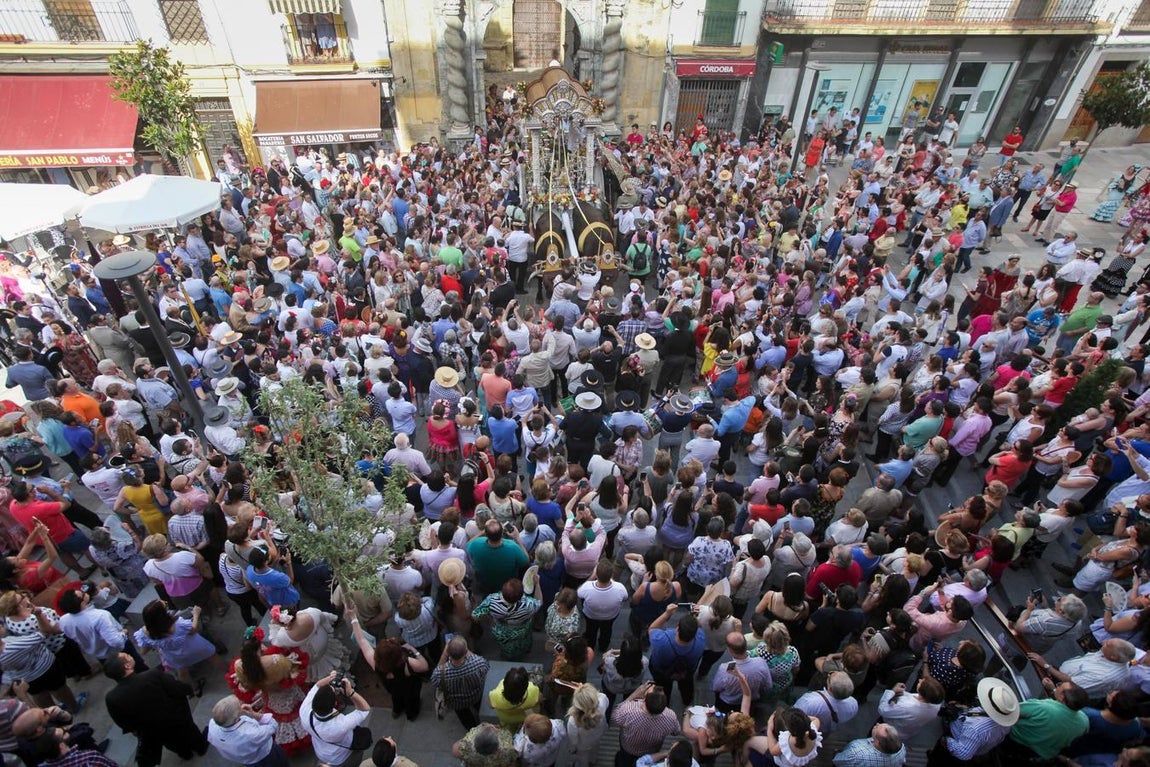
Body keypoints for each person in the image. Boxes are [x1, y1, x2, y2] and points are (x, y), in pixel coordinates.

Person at [103, 652, 209, 766]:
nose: (130, 656)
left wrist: (136, 730)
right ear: (127, 666)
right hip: (176, 717)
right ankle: (201, 747)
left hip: (151, 730)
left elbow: (122, 721)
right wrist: (189, 690)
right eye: (127, 656)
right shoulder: (151, 675)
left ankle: (185, 753)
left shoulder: (112, 698)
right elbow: (176, 688)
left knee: (170, 742)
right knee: (190, 731)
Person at [299, 670, 372, 767]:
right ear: (334, 704)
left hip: (322, 752)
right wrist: (350, 693)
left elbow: (317, 686)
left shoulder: (304, 710)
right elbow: (364, 709)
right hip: (341, 756)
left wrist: (331, 678)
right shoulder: (339, 725)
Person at [612, 681, 681, 767]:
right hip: (651, 752)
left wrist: (634, 694)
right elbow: (677, 732)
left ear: (644, 699)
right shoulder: (671, 716)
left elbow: (615, 717)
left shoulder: (628, 710)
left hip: (627, 748)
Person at [207, 694, 289, 767]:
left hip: (247, 760)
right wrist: (254, 714)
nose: (241, 704)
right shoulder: (251, 734)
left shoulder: (212, 724)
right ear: (236, 719)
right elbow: (273, 725)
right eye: (239, 705)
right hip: (266, 756)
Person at [430, 635, 490, 729]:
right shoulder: (478, 663)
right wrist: (466, 650)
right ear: (466, 652)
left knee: (465, 717)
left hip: (457, 702)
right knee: (478, 707)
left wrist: (445, 654)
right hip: (476, 696)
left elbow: (434, 679)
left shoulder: (440, 673)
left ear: (448, 652)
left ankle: (472, 729)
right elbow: (486, 667)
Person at [831, 723, 906, 767]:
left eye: (876, 728)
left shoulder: (856, 751)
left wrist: (836, 754)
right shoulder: (901, 749)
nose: (877, 724)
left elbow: (837, 761)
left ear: (877, 742)